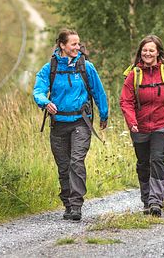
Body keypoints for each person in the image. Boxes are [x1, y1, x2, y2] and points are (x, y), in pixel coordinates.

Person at [33, 29, 109, 222]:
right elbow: (38, 90)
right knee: (64, 166)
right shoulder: (49, 68)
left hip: (81, 122)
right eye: (73, 44)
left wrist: (104, 114)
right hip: (58, 123)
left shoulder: (86, 67)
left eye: (78, 43)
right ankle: (67, 203)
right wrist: (45, 102)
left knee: (76, 161)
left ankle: (76, 206)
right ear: (62, 45)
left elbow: (98, 92)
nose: (78, 47)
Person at [120, 35, 164, 217]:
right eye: (145, 50)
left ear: (158, 52)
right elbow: (125, 101)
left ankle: (156, 201)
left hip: (162, 125)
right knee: (143, 163)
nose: (148, 53)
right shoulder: (134, 75)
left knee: (157, 158)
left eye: (151, 50)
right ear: (140, 52)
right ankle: (146, 200)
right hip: (140, 127)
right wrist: (132, 121)